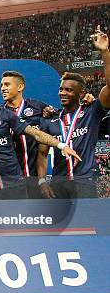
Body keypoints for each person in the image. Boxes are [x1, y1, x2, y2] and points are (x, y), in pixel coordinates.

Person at [0, 80, 80, 200]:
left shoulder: (3, 113)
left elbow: (35, 133)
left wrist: (61, 145)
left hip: (14, 184)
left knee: (20, 218)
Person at [37, 26, 110, 199]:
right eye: (61, 89)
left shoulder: (92, 111)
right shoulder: (50, 119)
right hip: (58, 183)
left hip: (85, 182)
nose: (63, 93)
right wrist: (42, 181)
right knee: (62, 227)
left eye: (69, 90)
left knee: (88, 225)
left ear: (81, 94)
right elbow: (41, 153)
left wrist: (105, 52)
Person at [0, 71, 53, 197]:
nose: (3, 88)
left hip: (35, 178)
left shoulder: (38, 107)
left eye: (7, 84)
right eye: (1, 85)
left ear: (20, 87)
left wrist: (87, 100)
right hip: (11, 181)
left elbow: (63, 115)